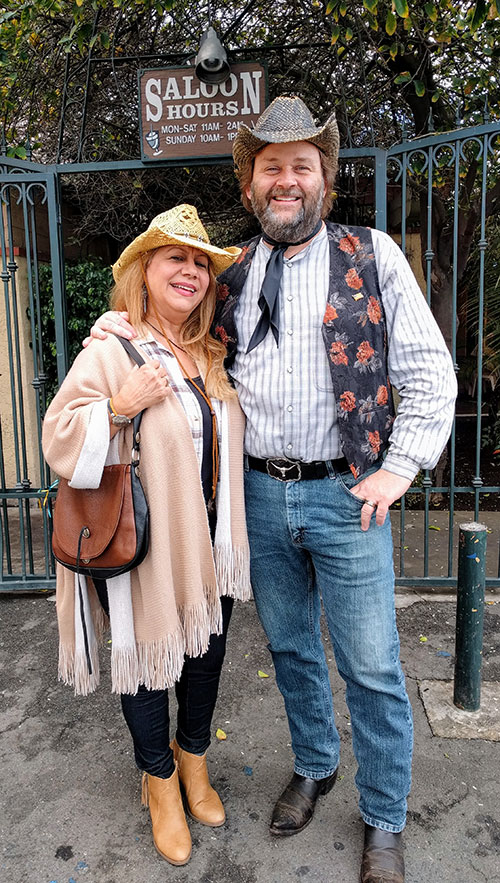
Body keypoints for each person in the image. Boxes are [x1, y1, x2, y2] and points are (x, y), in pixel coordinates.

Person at [86, 97, 457, 883]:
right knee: (289, 648)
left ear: (325, 177)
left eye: (301, 166)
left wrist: (401, 466)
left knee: (372, 666)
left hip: (347, 496)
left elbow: (430, 372)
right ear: (250, 184)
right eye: (270, 168)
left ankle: (384, 816)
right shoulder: (232, 273)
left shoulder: (374, 255)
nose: (286, 180)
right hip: (257, 496)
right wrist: (115, 330)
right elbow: (172, 332)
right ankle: (316, 763)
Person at [42, 204, 251, 867]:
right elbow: (57, 436)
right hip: (145, 543)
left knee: (206, 656)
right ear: (145, 270)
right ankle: (159, 782)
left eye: (200, 263)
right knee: (149, 662)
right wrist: (118, 405)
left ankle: (194, 760)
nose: (190, 271)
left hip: (212, 543)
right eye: (175, 258)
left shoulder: (211, 350)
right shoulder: (113, 347)